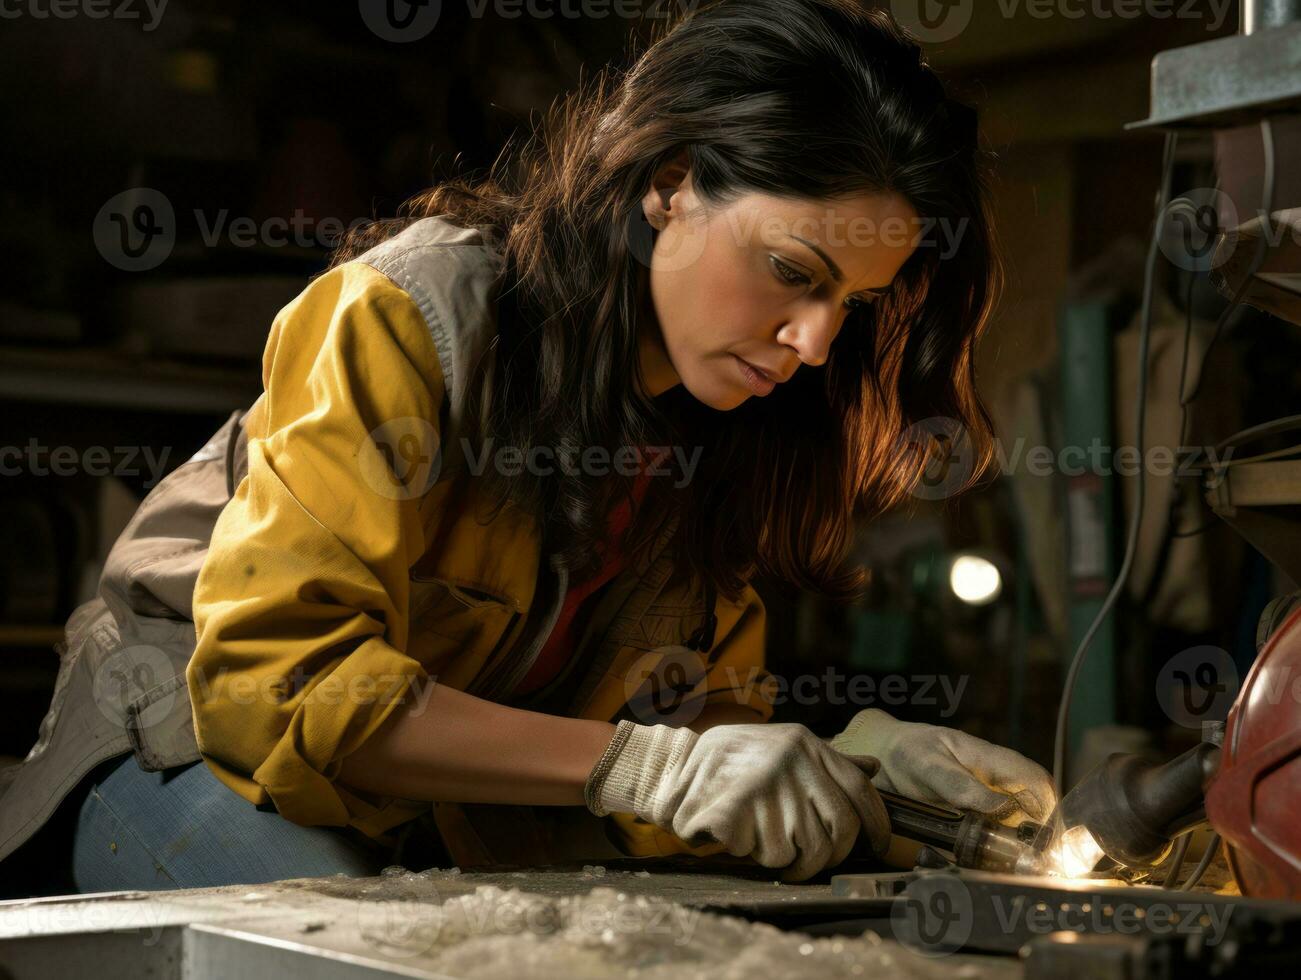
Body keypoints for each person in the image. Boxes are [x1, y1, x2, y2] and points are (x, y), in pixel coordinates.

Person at [0, 0, 1054, 894]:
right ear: (671, 184)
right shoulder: (412, 311)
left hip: (435, 811)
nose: (815, 341)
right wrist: (645, 768)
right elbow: (284, 687)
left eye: (851, 305)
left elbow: (685, 742)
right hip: (193, 750)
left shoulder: (725, 426)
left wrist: (845, 768)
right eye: (791, 267)